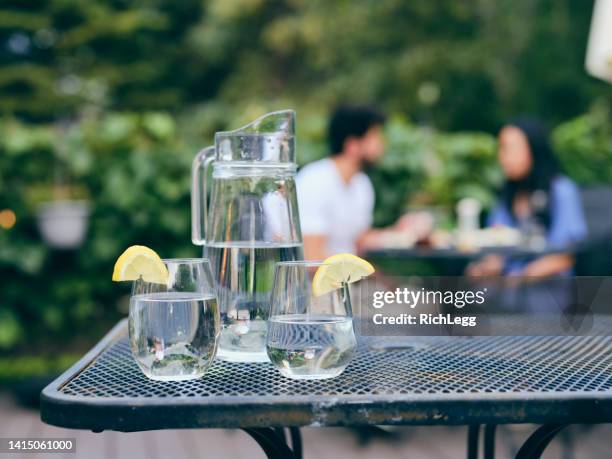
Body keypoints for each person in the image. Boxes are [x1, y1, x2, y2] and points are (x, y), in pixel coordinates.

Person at [467, 118, 588, 280]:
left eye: (510, 149)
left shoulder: (561, 191)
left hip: (547, 291)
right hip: (508, 289)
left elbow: (565, 256)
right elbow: (497, 243)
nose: (503, 157)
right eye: (501, 149)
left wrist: (522, 277)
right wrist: (486, 268)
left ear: (534, 149)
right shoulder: (508, 193)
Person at [297, 105, 417, 260]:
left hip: (348, 278)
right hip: (316, 282)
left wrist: (399, 233)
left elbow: (360, 240)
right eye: (375, 136)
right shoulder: (314, 181)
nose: (382, 144)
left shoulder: (361, 184)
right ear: (352, 145)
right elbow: (311, 257)